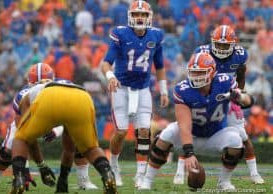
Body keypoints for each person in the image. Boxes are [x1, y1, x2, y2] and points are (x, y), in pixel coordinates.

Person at [139, 52, 254, 191]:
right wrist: (188, 153)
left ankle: (224, 182)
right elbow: (184, 126)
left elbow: (249, 100)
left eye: (200, 73)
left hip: (215, 135)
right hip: (191, 135)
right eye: (193, 73)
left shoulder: (224, 82)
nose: (196, 76)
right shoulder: (183, 90)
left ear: (212, 72)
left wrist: (240, 97)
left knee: (236, 139)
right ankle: (147, 180)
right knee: (166, 134)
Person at [173, 25, 264, 185]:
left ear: (233, 44)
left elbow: (241, 74)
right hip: (206, 98)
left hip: (228, 97)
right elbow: (192, 78)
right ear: (212, 42)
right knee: (190, 132)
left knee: (243, 137)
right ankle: (180, 172)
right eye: (219, 44)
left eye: (225, 45)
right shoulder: (202, 53)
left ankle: (254, 173)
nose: (221, 49)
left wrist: (238, 94)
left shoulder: (240, 55)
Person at [101, 0, 169, 187]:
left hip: (143, 89)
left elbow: (160, 66)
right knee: (121, 132)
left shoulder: (156, 35)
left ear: (149, 17)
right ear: (130, 16)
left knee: (144, 132)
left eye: (144, 15)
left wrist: (163, 90)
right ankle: (114, 165)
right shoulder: (120, 33)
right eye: (137, 14)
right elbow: (105, 63)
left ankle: (140, 174)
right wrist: (110, 76)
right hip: (121, 88)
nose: (140, 17)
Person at [9, 79, 117, 194]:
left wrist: (41, 166)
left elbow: (30, 141)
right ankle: (108, 174)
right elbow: (69, 149)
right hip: (83, 97)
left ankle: (19, 179)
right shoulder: (64, 84)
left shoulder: (27, 96)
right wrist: (62, 180)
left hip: (49, 96)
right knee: (91, 149)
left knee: (21, 138)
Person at [0, 63, 56, 191]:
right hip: (24, 122)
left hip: (47, 122)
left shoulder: (58, 94)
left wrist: (56, 129)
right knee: (7, 150)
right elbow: (25, 136)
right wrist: (25, 169)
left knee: (72, 135)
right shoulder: (24, 96)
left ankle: (84, 178)